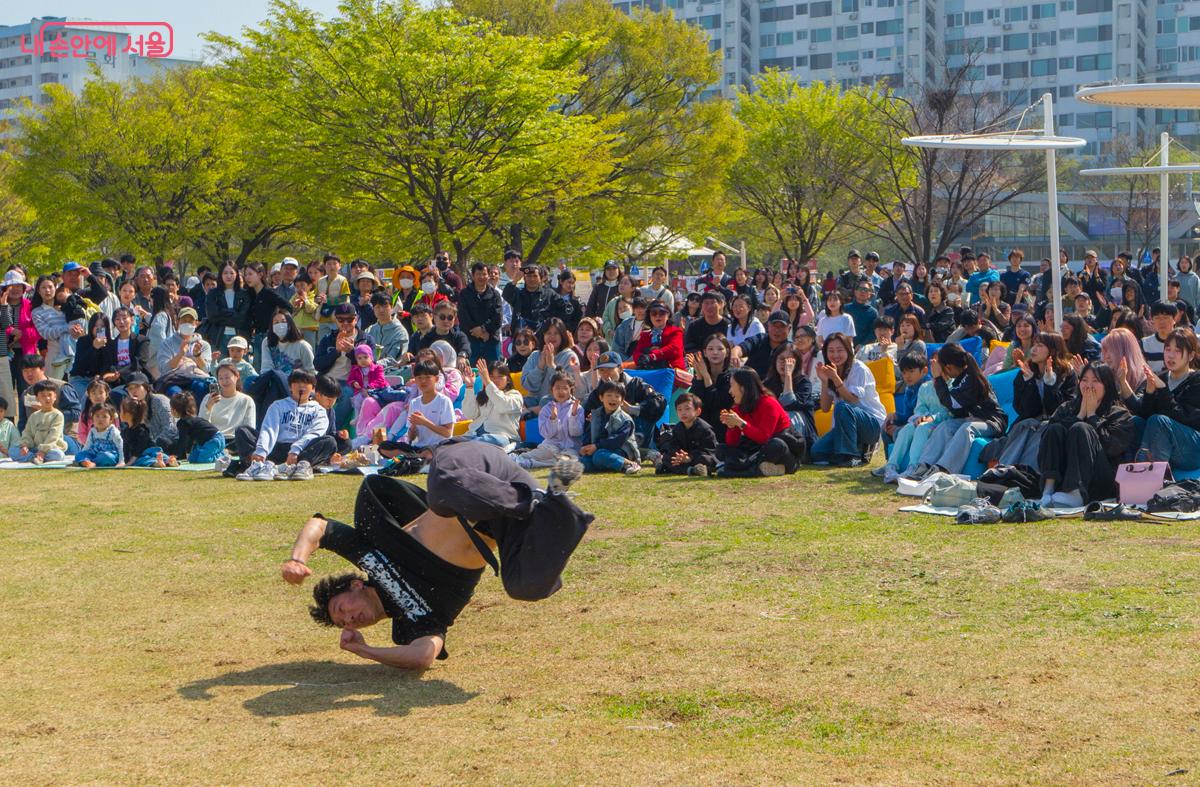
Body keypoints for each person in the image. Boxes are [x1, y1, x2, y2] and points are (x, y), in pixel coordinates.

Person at [280, 440, 592, 668]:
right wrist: (367, 652)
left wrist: (298, 559)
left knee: (442, 494)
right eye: (345, 624)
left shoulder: (367, 554)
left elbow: (318, 527)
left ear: (355, 585)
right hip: (504, 514)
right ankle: (553, 497)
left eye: (340, 609)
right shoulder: (411, 623)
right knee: (525, 587)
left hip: (468, 473)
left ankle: (535, 503)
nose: (349, 619)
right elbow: (423, 655)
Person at [1036, 363, 1135, 508]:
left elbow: (1111, 448)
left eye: (1095, 381)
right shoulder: (1067, 408)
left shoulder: (1119, 413)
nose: (1089, 385)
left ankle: (1076, 493)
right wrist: (1080, 414)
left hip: (1101, 479)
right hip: (1063, 477)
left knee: (1080, 428)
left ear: (1107, 385)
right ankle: (1048, 490)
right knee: (1054, 429)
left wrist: (1092, 416)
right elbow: (1047, 441)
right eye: (1085, 380)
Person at [904, 343, 1008, 479]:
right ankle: (925, 464)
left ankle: (944, 469)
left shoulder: (971, 378)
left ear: (949, 367)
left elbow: (951, 403)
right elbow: (957, 411)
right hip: (973, 419)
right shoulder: (958, 380)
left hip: (991, 421)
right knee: (945, 426)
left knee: (967, 428)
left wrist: (937, 378)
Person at [984, 332, 1077, 470]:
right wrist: (1030, 383)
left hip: (1057, 423)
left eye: (1039, 345)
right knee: (1028, 425)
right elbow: (1024, 410)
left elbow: (1062, 409)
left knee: (1042, 427)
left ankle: (1019, 471)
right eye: (1034, 345)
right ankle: (1004, 469)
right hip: (1030, 421)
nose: (1033, 349)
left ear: (1052, 350)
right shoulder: (1025, 373)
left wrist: (1050, 384)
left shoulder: (1067, 374)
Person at [1122, 328, 1200, 472]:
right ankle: (1129, 474)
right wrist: (1150, 393)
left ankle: (1148, 476)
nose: (1170, 355)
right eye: (1167, 349)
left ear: (1191, 356)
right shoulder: (1161, 377)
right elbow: (1145, 416)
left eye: (1177, 351)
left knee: (1159, 421)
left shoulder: (1196, 380)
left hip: (1192, 448)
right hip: (1164, 442)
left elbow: (1185, 418)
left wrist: (1163, 389)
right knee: (1135, 422)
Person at [230, 370, 330, 480]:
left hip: (302, 451)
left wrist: (295, 450)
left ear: (313, 389)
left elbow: (315, 433)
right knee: (243, 431)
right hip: (276, 448)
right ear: (290, 387)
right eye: (297, 383)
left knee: (329, 441)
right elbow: (269, 429)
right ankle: (258, 465)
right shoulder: (278, 405)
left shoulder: (318, 410)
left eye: (306, 383)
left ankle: (303, 466)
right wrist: (261, 452)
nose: (301, 386)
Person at [808, 332, 886, 467]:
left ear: (848, 351)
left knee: (842, 406)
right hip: (846, 428)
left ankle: (852, 456)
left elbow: (852, 400)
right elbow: (825, 408)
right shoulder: (832, 370)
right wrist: (825, 381)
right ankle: (859, 450)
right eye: (831, 351)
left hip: (871, 424)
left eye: (840, 350)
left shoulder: (859, 368)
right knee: (816, 452)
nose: (835, 355)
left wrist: (835, 378)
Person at [873, 354, 950, 482]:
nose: (907, 375)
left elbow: (948, 410)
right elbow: (919, 408)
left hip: (939, 423)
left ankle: (913, 467)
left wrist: (931, 417)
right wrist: (919, 416)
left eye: (911, 371)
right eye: (904, 372)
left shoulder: (949, 385)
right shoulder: (924, 388)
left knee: (920, 429)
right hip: (922, 421)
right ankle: (891, 465)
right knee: (907, 428)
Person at [718, 367, 804, 477]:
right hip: (757, 449)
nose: (730, 391)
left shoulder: (769, 403)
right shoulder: (738, 408)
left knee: (776, 444)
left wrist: (741, 423)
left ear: (743, 388)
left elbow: (764, 437)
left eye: (732, 385)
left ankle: (744, 469)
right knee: (722, 449)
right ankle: (758, 468)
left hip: (783, 450)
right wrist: (732, 426)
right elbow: (732, 443)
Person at [376, 359, 457, 462]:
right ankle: (415, 458)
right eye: (419, 378)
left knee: (429, 453)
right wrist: (413, 429)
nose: (423, 381)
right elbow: (412, 438)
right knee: (384, 447)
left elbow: (448, 433)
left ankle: (414, 459)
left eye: (427, 377)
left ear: (436, 379)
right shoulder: (414, 403)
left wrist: (425, 422)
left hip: (438, 447)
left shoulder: (444, 401)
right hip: (419, 448)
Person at [515, 371, 585, 469]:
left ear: (571, 390)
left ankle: (532, 463)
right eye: (557, 388)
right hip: (550, 447)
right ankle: (517, 458)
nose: (561, 391)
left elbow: (576, 433)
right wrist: (553, 419)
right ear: (552, 390)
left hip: (571, 448)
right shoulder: (546, 409)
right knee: (531, 455)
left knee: (568, 461)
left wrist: (573, 415)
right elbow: (546, 434)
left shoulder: (578, 408)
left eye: (565, 388)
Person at [580, 379, 642, 474]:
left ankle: (628, 464)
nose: (613, 399)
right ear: (601, 398)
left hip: (622, 451)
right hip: (600, 450)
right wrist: (586, 446)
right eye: (609, 395)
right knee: (584, 462)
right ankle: (610, 465)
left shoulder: (625, 419)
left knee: (599, 456)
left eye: (617, 396)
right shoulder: (596, 415)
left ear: (622, 401)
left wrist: (597, 446)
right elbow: (589, 432)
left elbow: (617, 440)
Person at [763, 344, 817, 449]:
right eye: (782, 359)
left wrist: (788, 375)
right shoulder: (767, 385)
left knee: (789, 414)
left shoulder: (804, 382)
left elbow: (789, 403)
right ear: (775, 361)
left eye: (790, 360)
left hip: (802, 436)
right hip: (775, 433)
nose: (785, 363)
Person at [460, 358, 522, 450]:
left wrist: (488, 382)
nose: (495, 380)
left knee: (481, 443)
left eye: (500, 376)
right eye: (492, 377)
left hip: (501, 437)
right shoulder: (483, 396)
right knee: (447, 443)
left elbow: (502, 405)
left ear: (508, 379)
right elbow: (469, 414)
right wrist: (469, 387)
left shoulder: (515, 395)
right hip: (474, 435)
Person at [655, 393, 717, 477]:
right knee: (667, 457)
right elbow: (673, 446)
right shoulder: (677, 428)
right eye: (679, 410)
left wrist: (690, 457)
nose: (683, 413)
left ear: (697, 411)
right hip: (682, 459)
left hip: (696, 458)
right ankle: (691, 470)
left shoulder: (705, 429)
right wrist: (679, 456)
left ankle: (673, 469)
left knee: (706, 459)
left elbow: (709, 450)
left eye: (687, 409)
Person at [688, 334, 735, 443]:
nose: (715, 352)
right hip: (702, 428)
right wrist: (700, 377)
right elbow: (695, 402)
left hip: (723, 428)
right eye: (710, 349)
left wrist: (706, 376)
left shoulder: (732, 377)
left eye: (720, 349)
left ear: (727, 352)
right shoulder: (700, 372)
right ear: (704, 352)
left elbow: (717, 402)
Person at [521, 318, 577, 405]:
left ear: (562, 336)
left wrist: (551, 366)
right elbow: (527, 385)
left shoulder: (569, 356)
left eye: (556, 333)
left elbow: (569, 387)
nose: (552, 337)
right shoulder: (535, 355)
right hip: (534, 401)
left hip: (557, 404)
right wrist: (540, 367)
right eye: (548, 333)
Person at [458, 262, 503, 362]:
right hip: (470, 340)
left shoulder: (495, 294)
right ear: (473, 276)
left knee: (494, 371)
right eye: (478, 274)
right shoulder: (464, 294)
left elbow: (498, 317)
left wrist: (484, 329)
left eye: (484, 274)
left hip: (490, 339)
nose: (482, 277)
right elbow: (463, 317)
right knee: (471, 372)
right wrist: (477, 332)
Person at [201, 362, 256, 443]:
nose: (224, 381)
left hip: (236, 441)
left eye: (227, 377)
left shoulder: (246, 400)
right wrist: (208, 407)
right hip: (214, 440)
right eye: (220, 378)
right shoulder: (208, 398)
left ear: (237, 377)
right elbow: (201, 427)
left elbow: (250, 429)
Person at [202, 262, 249, 357]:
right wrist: (233, 313)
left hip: (239, 337)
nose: (228, 276)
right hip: (218, 337)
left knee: (239, 369)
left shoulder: (244, 294)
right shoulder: (213, 293)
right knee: (219, 368)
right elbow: (212, 316)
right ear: (221, 275)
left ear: (237, 274)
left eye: (231, 273)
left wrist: (222, 313)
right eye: (225, 273)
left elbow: (243, 318)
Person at [167, 392, 226, 465]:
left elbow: (182, 440)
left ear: (175, 410)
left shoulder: (184, 422)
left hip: (214, 439)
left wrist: (175, 455)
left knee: (204, 460)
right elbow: (190, 439)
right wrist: (188, 453)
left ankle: (223, 455)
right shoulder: (187, 421)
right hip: (204, 442)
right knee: (192, 459)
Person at [16, 381, 67, 463]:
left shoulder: (58, 415)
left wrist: (43, 451)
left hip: (51, 449)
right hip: (35, 448)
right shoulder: (34, 416)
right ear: (37, 398)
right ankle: (34, 457)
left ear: (55, 397)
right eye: (43, 396)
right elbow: (27, 432)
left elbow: (53, 435)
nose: (47, 398)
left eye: (50, 395)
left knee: (58, 455)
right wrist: (25, 445)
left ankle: (35, 457)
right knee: (13, 450)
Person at [631, 300, 684, 370]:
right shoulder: (645, 335)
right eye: (654, 313)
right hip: (650, 372)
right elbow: (636, 354)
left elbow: (674, 349)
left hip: (672, 372)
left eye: (662, 313)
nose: (658, 316)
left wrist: (651, 355)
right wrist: (643, 357)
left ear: (668, 315)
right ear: (649, 316)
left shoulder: (675, 332)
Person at [504, 263, 553, 333]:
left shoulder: (549, 294)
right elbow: (506, 294)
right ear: (524, 278)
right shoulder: (518, 294)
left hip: (542, 337)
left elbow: (564, 308)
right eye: (529, 276)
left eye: (535, 276)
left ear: (541, 278)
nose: (532, 279)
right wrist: (515, 280)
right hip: (521, 338)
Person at [363, 292, 409, 364]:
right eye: (377, 307)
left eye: (385, 306)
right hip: (369, 372)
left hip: (392, 373)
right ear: (373, 309)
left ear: (392, 307)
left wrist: (373, 365)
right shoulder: (369, 330)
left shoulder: (400, 332)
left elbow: (394, 359)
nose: (381, 310)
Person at [315, 254, 351, 341]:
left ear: (339, 266)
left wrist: (328, 300)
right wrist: (319, 299)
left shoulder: (342, 280)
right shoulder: (320, 280)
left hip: (337, 318)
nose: (332, 266)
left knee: (338, 341)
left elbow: (344, 298)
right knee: (322, 342)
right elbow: (315, 298)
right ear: (324, 266)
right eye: (329, 264)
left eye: (334, 263)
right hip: (322, 317)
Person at [1141, 301, 1179, 374]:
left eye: (1165, 317)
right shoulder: (1144, 344)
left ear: (1174, 319)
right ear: (1152, 319)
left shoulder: (1184, 342)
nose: (1161, 322)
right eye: (1157, 318)